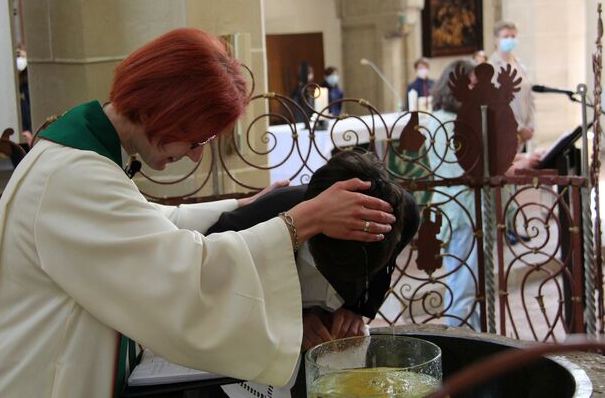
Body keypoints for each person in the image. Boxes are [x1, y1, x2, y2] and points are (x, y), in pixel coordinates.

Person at [0, 28, 397, 398]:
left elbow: (144, 226)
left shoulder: (82, 158)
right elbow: (181, 271)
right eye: (196, 141)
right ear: (165, 111)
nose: (197, 158)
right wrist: (304, 222)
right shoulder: (73, 177)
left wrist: (242, 206)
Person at [207, 151, 419, 351]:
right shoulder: (269, 215)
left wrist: (357, 308)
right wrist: (287, 315)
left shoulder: (402, 213)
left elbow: (382, 272)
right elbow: (214, 271)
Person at [426, 60, 541, 330]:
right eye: (474, 85)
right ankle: (460, 357)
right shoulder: (449, 123)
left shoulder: (454, 119)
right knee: (464, 290)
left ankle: (476, 351)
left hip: (468, 210)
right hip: (464, 212)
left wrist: (517, 155)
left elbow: (483, 157)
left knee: (475, 289)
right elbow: (471, 169)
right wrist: (518, 164)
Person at [488, 21, 536, 148]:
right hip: (505, 129)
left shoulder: (519, 64)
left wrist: (530, 125)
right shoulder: (491, 67)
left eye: (513, 36)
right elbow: (496, 103)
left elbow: (529, 97)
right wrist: (519, 128)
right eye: (506, 36)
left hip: (525, 131)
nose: (510, 39)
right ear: (496, 40)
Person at [291, 60, 315, 125]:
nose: (311, 75)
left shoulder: (310, 88)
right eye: (309, 73)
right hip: (300, 121)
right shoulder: (298, 90)